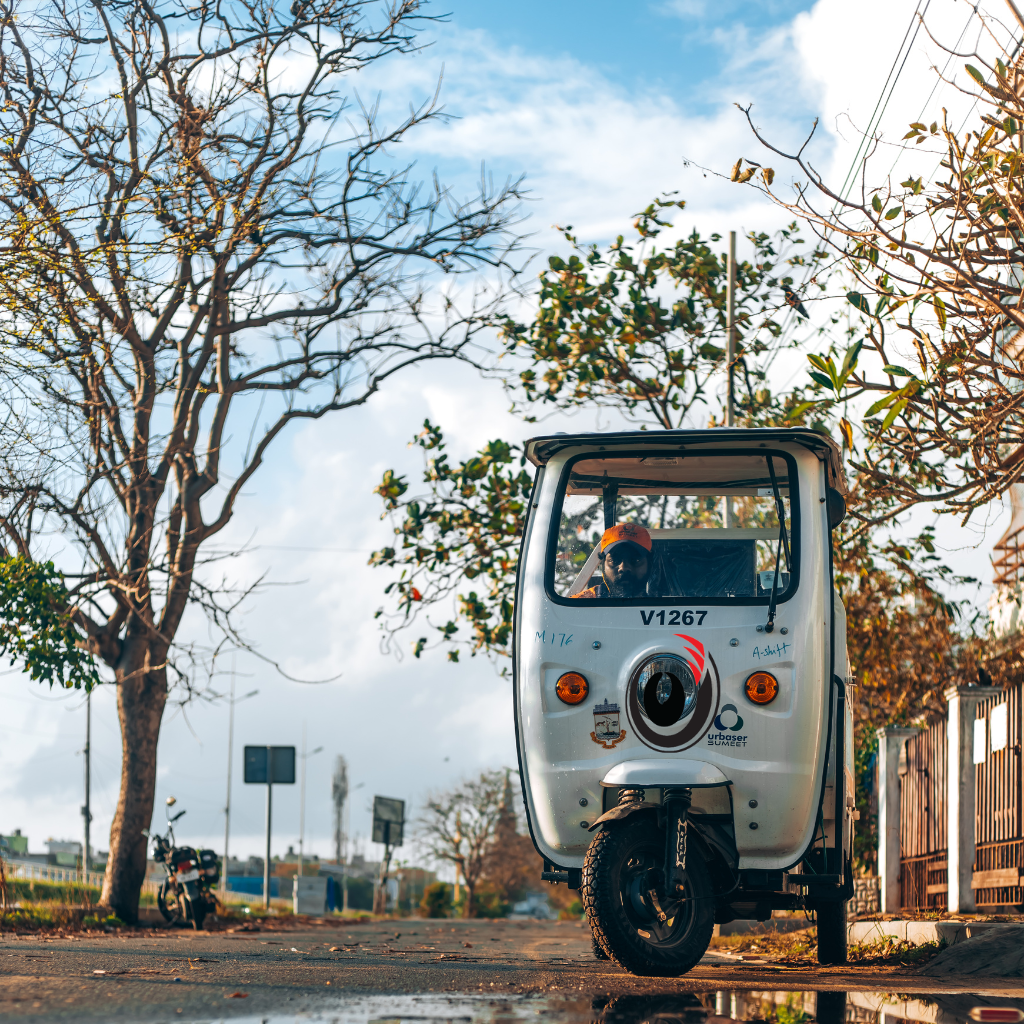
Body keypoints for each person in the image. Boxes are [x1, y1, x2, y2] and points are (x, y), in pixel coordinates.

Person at [574, 522, 653, 599]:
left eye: (636, 560)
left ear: (649, 564)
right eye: (614, 560)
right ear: (602, 564)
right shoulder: (578, 606)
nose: (624, 567)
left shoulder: (662, 606)